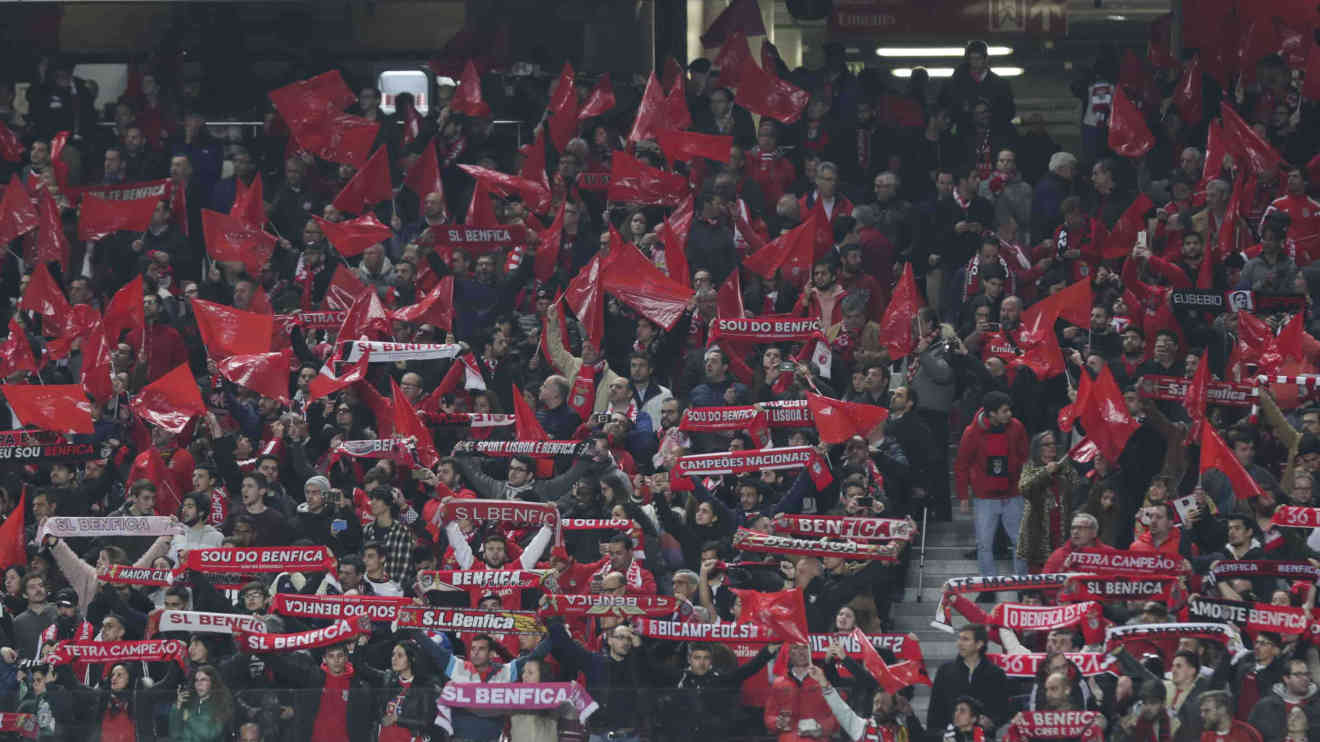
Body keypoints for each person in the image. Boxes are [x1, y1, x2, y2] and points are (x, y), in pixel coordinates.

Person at [954, 391, 1029, 579]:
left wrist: (1023, 480)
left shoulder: (1017, 427)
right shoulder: (971, 433)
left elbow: (1025, 457)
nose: (1009, 414)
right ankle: (988, 584)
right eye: (1005, 411)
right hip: (985, 497)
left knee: (1020, 541)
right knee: (984, 544)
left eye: (1009, 410)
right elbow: (961, 465)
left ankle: (1022, 584)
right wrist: (963, 496)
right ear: (992, 413)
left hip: (1013, 494)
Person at [928, 624, 1009, 732]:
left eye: (965, 639)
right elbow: (935, 708)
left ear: (979, 644)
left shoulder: (996, 673)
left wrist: (992, 722)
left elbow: (1003, 709)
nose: (959, 644)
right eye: (959, 638)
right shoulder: (945, 671)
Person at [170, 665, 235, 742]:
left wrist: (188, 717)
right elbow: (174, 735)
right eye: (196, 680)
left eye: (203, 680)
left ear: (212, 682)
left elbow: (209, 734)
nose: (199, 684)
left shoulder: (221, 704)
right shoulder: (188, 703)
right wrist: (177, 707)